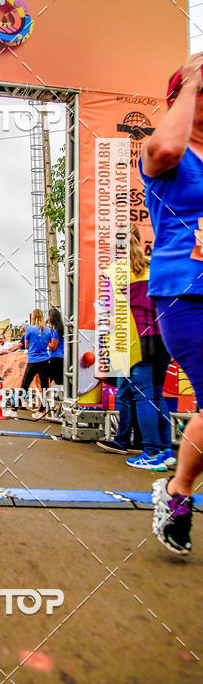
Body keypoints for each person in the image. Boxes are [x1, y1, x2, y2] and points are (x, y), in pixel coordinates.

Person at [140, 51, 203, 554]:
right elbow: (164, 147)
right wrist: (192, 81)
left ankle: (179, 490)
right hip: (185, 291)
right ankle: (178, 490)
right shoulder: (168, 153)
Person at [96, 227, 172, 466]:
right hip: (163, 338)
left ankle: (151, 453)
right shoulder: (154, 266)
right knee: (157, 394)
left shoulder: (112, 272)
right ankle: (166, 450)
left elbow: (110, 315)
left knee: (143, 396)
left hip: (135, 340)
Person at [7, 309, 51, 419]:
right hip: (45, 359)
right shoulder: (48, 330)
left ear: (33, 317)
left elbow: (26, 345)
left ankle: (14, 409)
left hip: (33, 360)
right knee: (45, 386)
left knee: (25, 385)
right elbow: (49, 344)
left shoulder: (30, 329)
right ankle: (41, 410)